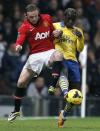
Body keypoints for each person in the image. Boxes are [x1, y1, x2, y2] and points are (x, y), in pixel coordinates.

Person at [8, 4, 63, 122]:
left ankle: (53, 86)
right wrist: (18, 46)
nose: (34, 19)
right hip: (35, 56)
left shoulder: (47, 18)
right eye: (31, 17)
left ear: (38, 13)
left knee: (59, 54)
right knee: (21, 83)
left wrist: (58, 33)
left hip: (49, 51)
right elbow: (20, 39)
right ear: (26, 16)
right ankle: (16, 110)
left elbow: (55, 33)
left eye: (35, 16)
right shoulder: (24, 27)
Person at [53, 8, 84, 127]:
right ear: (64, 17)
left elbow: (80, 49)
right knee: (63, 72)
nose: (70, 22)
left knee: (75, 92)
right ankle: (65, 93)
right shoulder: (56, 26)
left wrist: (80, 38)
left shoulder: (78, 30)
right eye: (68, 19)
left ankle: (64, 114)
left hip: (73, 61)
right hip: (60, 57)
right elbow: (49, 38)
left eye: (73, 20)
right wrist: (55, 35)